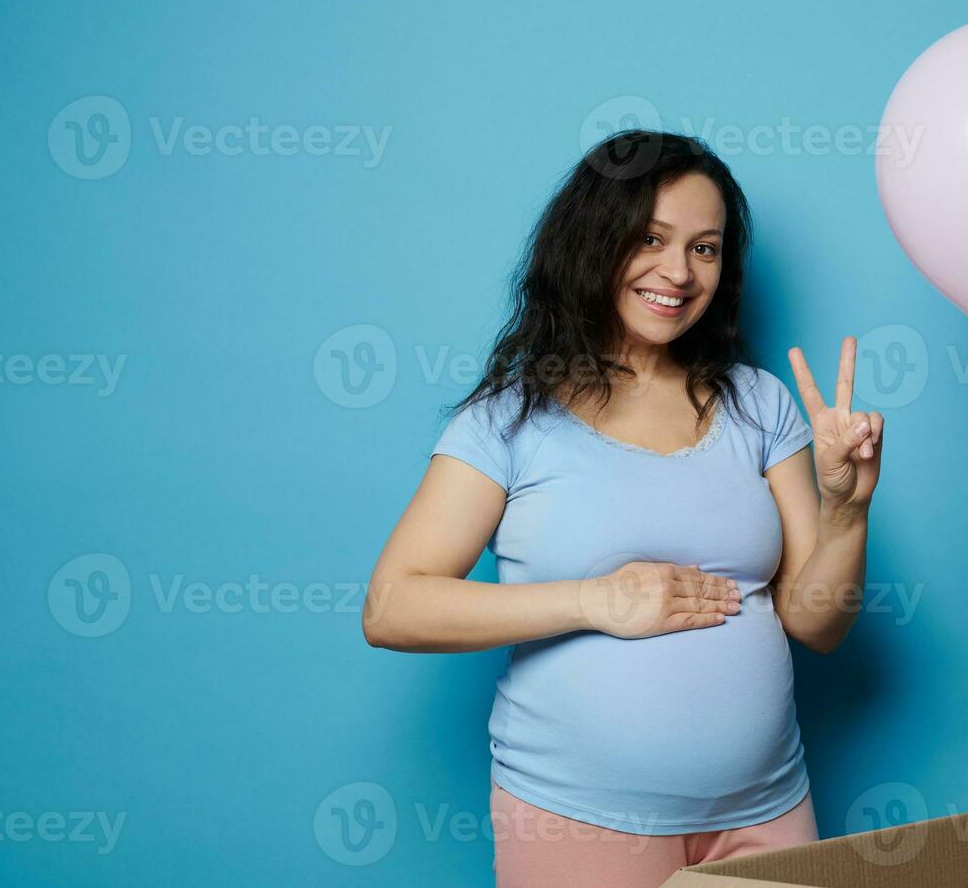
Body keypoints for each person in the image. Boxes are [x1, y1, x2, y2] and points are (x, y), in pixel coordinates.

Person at [363, 131, 884, 887]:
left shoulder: (761, 405)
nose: (677, 272)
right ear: (593, 242)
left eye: (705, 248)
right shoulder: (509, 420)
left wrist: (845, 510)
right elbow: (391, 608)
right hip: (577, 821)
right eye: (650, 238)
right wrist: (599, 599)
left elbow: (817, 623)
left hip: (765, 814)